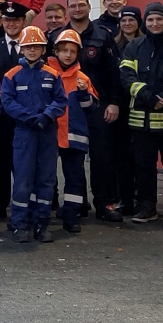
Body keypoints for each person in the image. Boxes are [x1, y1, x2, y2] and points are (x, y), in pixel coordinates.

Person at [120, 2, 163, 223]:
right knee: (143, 167)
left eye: (159, 19)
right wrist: (148, 96)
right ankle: (147, 207)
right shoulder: (134, 46)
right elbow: (126, 76)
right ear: (145, 22)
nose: (155, 23)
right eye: (150, 20)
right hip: (141, 120)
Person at [57, 0, 124, 223]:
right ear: (68, 9)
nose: (77, 9)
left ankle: (104, 203)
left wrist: (114, 102)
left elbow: (114, 73)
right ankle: (78, 202)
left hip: (99, 105)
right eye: (72, 5)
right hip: (69, 107)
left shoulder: (102, 36)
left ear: (89, 6)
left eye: (81, 5)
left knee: (102, 156)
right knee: (72, 156)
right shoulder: (57, 36)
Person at [0, 26, 66, 242]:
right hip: (24, 133)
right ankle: (20, 224)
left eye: (36, 46)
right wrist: (30, 118)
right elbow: (7, 102)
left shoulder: (53, 74)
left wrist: (46, 116)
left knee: (46, 179)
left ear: (43, 49)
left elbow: (61, 101)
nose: (32, 50)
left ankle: (42, 223)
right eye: (28, 46)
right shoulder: (12, 75)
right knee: (23, 179)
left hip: (47, 132)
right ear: (21, 48)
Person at [0, 1, 31, 218]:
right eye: (7, 20)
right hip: (1, 116)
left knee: (26, 162)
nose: (11, 24)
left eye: (16, 20)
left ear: (23, 21)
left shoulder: (35, 45)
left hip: (27, 115)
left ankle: (28, 204)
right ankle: (0, 205)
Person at [50, 30, 97, 234]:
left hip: (74, 136)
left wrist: (83, 93)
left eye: (72, 51)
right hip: (49, 135)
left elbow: (92, 107)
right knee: (45, 177)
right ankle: (40, 215)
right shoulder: (46, 73)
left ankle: (72, 215)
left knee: (74, 178)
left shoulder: (82, 78)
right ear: (56, 52)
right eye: (64, 51)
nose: (68, 55)